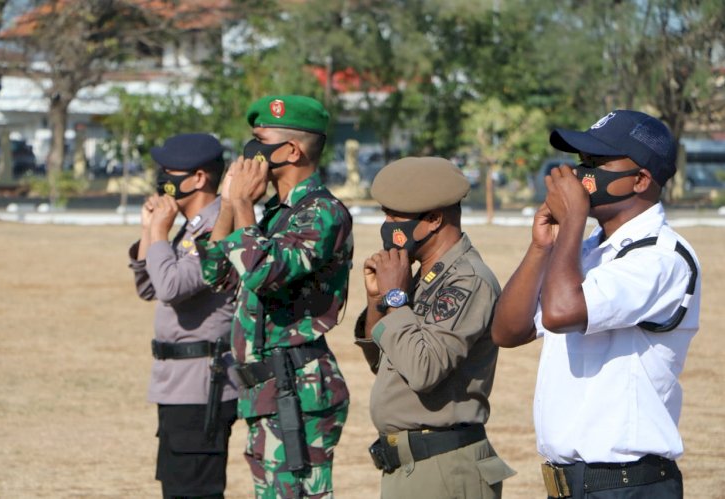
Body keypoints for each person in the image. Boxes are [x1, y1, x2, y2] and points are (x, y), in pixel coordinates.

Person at [491, 110, 701, 499]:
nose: (579, 175)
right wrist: (542, 246)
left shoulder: (663, 258)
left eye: (597, 164)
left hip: (628, 484)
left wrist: (572, 221)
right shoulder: (586, 250)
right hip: (572, 484)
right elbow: (507, 330)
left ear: (640, 180)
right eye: (582, 162)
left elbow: (561, 313)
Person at [195, 95, 353, 498]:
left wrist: (245, 204)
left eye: (259, 142)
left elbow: (265, 272)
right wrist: (231, 204)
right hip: (266, 390)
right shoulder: (273, 214)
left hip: (298, 389)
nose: (249, 154)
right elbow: (217, 275)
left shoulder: (321, 213)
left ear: (291, 151)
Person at [354, 156, 516, 499]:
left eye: (394, 216)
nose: (386, 225)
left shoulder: (467, 280)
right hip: (412, 466)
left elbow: (424, 368)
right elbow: (383, 363)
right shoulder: (424, 276)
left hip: (444, 467)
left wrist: (396, 299)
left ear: (432, 219)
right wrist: (377, 300)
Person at [128, 133, 239, 499]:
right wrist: (150, 231)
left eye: (170, 170)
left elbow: (172, 287)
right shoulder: (190, 228)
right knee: (178, 487)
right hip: (176, 383)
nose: (163, 178)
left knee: (195, 490)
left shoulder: (217, 227)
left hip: (200, 384)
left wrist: (160, 230)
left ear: (199, 178)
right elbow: (148, 288)